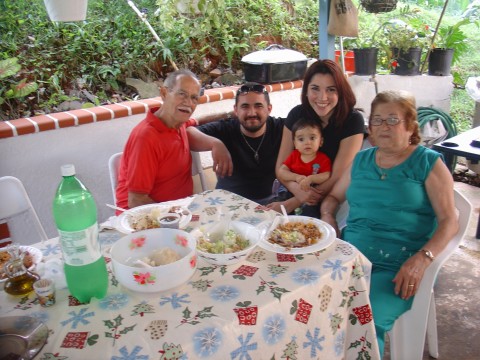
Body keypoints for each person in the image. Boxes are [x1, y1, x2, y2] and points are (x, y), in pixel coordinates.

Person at [320, 90, 459, 357]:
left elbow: (450, 220)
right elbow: (333, 198)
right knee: (309, 301)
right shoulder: (361, 160)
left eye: (392, 120)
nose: (383, 126)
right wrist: (328, 217)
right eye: (377, 120)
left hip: (400, 266)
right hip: (352, 258)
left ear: (410, 126)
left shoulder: (427, 163)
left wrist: (422, 259)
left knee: (361, 318)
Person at [115, 69, 233, 211]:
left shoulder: (178, 123)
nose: (188, 103)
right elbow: (136, 200)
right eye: (182, 94)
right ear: (164, 93)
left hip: (181, 210)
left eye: (194, 98)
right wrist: (173, 218)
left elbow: (198, 121)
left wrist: (227, 116)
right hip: (147, 219)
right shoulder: (146, 137)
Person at [268, 59, 365, 217]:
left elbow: (336, 176)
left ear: (340, 92)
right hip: (293, 188)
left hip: (329, 196)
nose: (322, 97)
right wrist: (297, 192)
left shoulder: (352, 121)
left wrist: (291, 204)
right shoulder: (296, 115)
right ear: (306, 90)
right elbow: (280, 168)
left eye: (331, 90)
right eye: (315, 89)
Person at [187, 82, 284, 205]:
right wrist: (215, 143)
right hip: (229, 202)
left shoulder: (281, 128)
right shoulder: (226, 128)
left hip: (271, 201)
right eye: (245, 106)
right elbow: (189, 133)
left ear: (269, 109)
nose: (251, 113)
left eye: (258, 106)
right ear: (236, 110)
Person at [277, 117, 331, 207]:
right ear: (295, 143)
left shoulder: (323, 159)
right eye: (301, 139)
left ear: (321, 141)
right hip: (290, 191)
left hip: (310, 194)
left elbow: (326, 175)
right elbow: (281, 172)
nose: (307, 142)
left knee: (311, 212)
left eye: (312, 138)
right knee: (279, 202)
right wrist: (296, 177)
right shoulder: (294, 155)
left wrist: (311, 179)